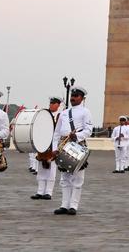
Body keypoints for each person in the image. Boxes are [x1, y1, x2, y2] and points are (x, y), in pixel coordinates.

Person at [52, 85, 93, 216]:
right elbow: (56, 133)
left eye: (76, 96)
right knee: (64, 177)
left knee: (77, 177)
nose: (73, 98)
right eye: (72, 96)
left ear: (82, 98)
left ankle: (73, 205)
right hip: (64, 144)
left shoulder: (85, 112)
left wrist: (77, 136)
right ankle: (64, 205)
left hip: (77, 144)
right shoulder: (64, 113)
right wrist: (54, 148)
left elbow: (88, 130)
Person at [32, 95, 61, 200]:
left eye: (53, 103)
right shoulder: (44, 114)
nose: (51, 105)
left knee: (51, 171)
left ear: (58, 105)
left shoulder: (60, 116)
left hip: (53, 145)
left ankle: (48, 192)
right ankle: (40, 191)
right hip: (43, 144)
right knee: (41, 170)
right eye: (50, 103)